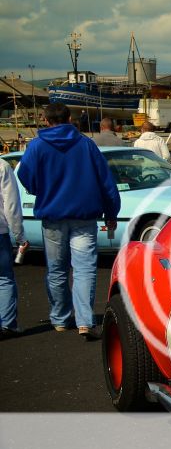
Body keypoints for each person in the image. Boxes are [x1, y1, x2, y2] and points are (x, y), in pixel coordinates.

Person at [16, 102, 120, 338]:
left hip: (53, 216)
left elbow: (24, 174)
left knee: (57, 269)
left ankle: (60, 318)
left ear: (45, 120)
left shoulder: (37, 146)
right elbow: (106, 182)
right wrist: (111, 213)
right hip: (84, 217)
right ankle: (84, 321)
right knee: (84, 270)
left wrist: (38, 189)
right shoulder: (86, 144)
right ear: (70, 118)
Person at [0, 158, 26, 338]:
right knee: (4, 278)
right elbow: (11, 205)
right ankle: (8, 324)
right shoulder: (2, 166)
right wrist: (19, 236)